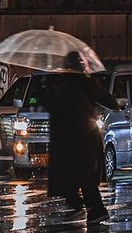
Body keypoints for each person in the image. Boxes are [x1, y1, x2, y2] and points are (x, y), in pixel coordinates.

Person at [43, 53, 119, 227]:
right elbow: (105, 98)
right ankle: (94, 210)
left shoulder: (60, 84)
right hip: (84, 136)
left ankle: (85, 205)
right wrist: (115, 104)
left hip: (67, 137)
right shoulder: (86, 82)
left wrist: (46, 88)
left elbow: (52, 104)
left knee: (71, 172)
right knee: (86, 175)